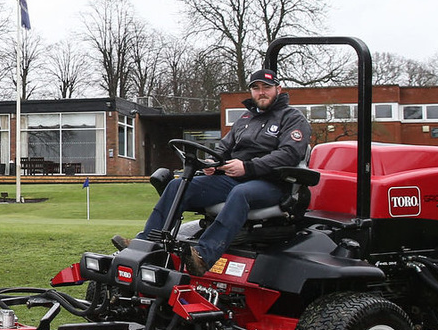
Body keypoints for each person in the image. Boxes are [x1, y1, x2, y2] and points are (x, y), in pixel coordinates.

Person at [115, 69, 311, 275]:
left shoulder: (292, 118)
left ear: (278, 89)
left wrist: (248, 166)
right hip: (235, 179)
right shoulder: (246, 119)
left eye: (266, 88)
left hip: (272, 183)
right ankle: (146, 243)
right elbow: (223, 148)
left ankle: (203, 255)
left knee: (241, 193)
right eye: (256, 88)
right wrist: (211, 162)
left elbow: (289, 154)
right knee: (177, 185)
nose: (261, 92)